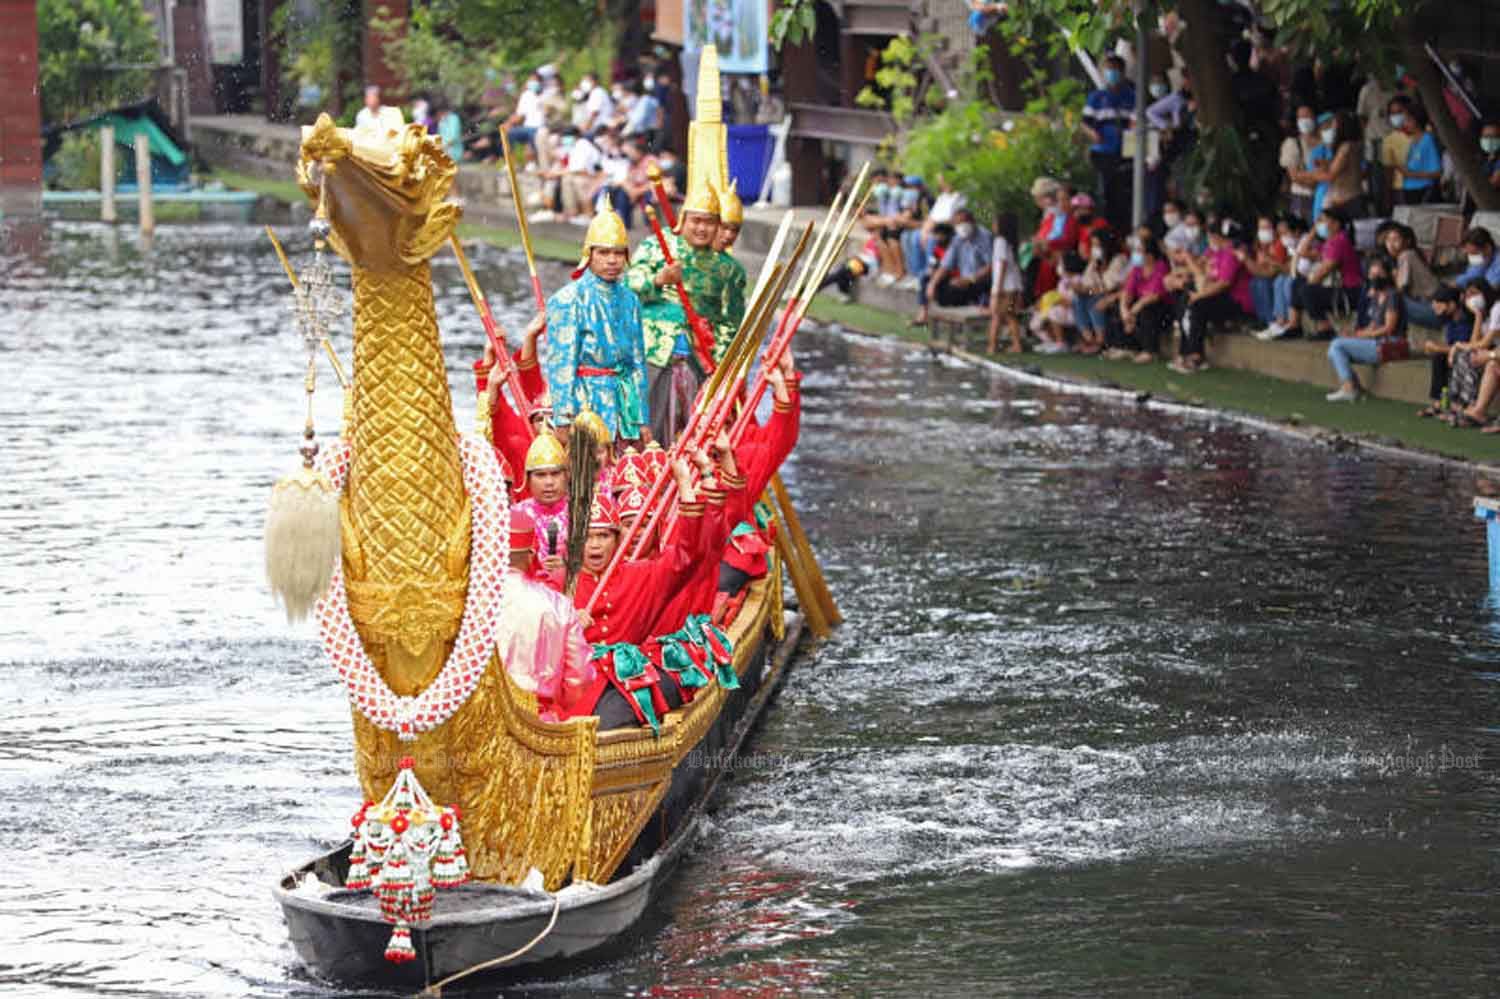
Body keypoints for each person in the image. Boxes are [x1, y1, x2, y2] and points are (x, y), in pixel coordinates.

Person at [571, 460, 712, 731]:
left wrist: (684, 483)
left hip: (626, 682)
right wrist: (564, 626)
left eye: (603, 536)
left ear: (617, 539)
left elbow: (687, 556)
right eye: (588, 537)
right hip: (574, 686)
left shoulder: (641, 575)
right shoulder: (557, 584)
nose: (596, 545)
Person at [625, 181, 745, 442]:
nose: (702, 228)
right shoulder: (657, 245)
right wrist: (658, 280)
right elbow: (628, 284)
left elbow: (731, 323)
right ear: (684, 218)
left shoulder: (729, 269)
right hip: (653, 350)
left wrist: (719, 363)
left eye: (710, 222)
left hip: (698, 357)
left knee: (695, 433)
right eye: (696, 220)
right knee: (647, 428)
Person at [542, 203, 651, 444]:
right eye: (603, 253)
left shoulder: (631, 300)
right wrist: (563, 418)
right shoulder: (568, 299)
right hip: (586, 402)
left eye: (618, 253)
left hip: (625, 406)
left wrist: (642, 418)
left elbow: (637, 363)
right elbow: (561, 363)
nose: (612, 260)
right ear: (589, 254)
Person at [495, 508, 598, 721]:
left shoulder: (471, 601)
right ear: (531, 553)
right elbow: (579, 675)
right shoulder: (558, 605)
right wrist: (562, 701)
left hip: (481, 720)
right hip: (539, 720)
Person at [1173, 219, 1251, 373]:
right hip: (1215, 295)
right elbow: (1198, 271)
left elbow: (1224, 283)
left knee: (1197, 304)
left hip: (1234, 302)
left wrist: (1199, 295)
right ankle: (1184, 352)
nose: (1209, 240)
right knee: (1186, 297)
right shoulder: (1214, 252)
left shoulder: (1231, 253)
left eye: (1211, 236)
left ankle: (1196, 356)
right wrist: (1179, 276)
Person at [1325, 259, 1408, 402]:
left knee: (1337, 346)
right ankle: (1352, 385)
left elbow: (1389, 328)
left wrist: (1362, 335)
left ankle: (1350, 387)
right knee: (1334, 348)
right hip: (1377, 342)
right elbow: (1373, 326)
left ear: (1387, 275)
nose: (1375, 278)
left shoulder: (1392, 295)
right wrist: (1354, 335)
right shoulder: (1376, 296)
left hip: (1391, 343)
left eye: (1379, 274)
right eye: (1372, 274)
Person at [1081, 54, 1136, 229]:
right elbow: (1085, 123)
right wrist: (1093, 134)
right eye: (1109, 69)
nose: (1112, 73)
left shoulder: (1131, 96)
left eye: (1116, 69)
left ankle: (1125, 226)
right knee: (1106, 191)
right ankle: (1108, 226)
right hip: (1103, 151)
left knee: (1126, 192)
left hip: (1126, 150)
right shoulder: (1097, 97)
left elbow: (1136, 122)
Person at [1293, 208, 1361, 341]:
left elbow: (1321, 274)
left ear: (1336, 224)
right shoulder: (1331, 241)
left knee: (1307, 291)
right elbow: (1301, 252)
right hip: (1341, 289)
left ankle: (1325, 328)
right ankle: (1294, 324)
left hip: (1350, 291)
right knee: (1298, 284)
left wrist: (1309, 283)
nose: (1320, 224)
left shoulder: (1339, 241)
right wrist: (1313, 232)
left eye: (1323, 221)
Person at [515, 432, 571, 585]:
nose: (549, 482)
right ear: (528, 478)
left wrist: (568, 566)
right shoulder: (515, 516)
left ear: (566, 476)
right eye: (540, 475)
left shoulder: (584, 513)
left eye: (555, 474)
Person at [1107, 234, 1171, 363]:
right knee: (1117, 308)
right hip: (1140, 304)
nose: (1136, 254)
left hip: (1160, 306)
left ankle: (1150, 351)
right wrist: (1125, 310)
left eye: (1139, 251)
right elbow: (1127, 292)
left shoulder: (1161, 267)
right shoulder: (1137, 269)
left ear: (1150, 255)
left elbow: (1154, 295)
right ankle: (1125, 347)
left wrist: (1133, 311)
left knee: (1147, 310)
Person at [1295, 111, 1362, 220]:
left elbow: (1330, 176)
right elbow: (1343, 167)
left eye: (1335, 125)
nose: (1333, 128)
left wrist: (1304, 175)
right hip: (1348, 200)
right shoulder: (1355, 146)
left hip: (1346, 201)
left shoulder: (1346, 147)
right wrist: (1325, 164)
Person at [1417, 286, 1470, 418]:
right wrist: (1434, 347)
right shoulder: (1450, 320)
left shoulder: (1467, 319)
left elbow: (1465, 346)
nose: (1435, 308)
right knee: (1439, 356)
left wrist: (1438, 348)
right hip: (1455, 355)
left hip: (1469, 357)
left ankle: (1458, 405)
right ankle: (1438, 403)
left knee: (1441, 355)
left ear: (1452, 304)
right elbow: (1451, 345)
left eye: (1439, 304)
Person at [1073, 229, 1128, 355]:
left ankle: (1100, 341)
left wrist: (1090, 288)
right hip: (1095, 292)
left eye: (1097, 245)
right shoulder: (1095, 261)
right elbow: (1087, 281)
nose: (1094, 248)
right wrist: (1081, 288)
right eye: (1093, 245)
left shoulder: (1119, 259)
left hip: (1114, 294)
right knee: (1077, 299)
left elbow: (1109, 286)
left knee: (1095, 300)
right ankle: (1088, 338)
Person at [926, 208, 993, 309]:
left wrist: (969, 279)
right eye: (958, 224)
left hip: (980, 280)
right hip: (962, 280)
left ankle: (976, 300)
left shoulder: (984, 236)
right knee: (929, 281)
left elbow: (991, 266)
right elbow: (945, 265)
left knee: (949, 295)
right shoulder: (957, 239)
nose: (962, 226)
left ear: (972, 221)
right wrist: (933, 283)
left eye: (964, 222)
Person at [1384, 223, 1440, 328]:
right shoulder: (1411, 254)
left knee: (1391, 297)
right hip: (1427, 306)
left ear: (1407, 241)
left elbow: (1401, 288)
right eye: (1388, 240)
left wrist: (1394, 274)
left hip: (1431, 309)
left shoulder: (1406, 255)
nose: (1391, 244)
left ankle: (1386, 331)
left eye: (1395, 240)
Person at [1394, 100, 1442, 204]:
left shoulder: (1428, 140)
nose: (1404, 123)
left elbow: (1437, 172)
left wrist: (1412, 174)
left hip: (1425, 191)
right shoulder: (1407, 140)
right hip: (1407, 190)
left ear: (1416, 120)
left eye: (1408, 120)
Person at [988, 213, 1024, 353]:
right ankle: (1016, 345)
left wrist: (998, 288)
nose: (993, 226)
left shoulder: (1000, 241)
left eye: (995, 223)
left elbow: (1002, 264)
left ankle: (992, 346)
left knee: (997, 315)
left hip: (1005, 286)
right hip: (1013, 285)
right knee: (1010, 315)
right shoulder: (1011, 242)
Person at [1245, 214, 1290, 327]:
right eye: (1261, 228)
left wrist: (1264, 261)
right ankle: (1262, 319)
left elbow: (1272, 272)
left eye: (1267, 228)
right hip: (1267, 274)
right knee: (1253, 283)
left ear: (1274, 229)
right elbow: (1258, 269)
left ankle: (1270, 320)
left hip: (1279, 275)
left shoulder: (1279, 244)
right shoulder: (1260, 245)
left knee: (1262, 283)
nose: (1263, 231)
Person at [1279, 105, 1320, 221]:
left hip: (1325, 196)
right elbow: (1294, 175)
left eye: (1307, 116)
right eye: (1301, 117)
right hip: (1303, 197)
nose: (1305, 120)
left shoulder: (1324, 143)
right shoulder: (1292, 143)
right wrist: (1316, 183)